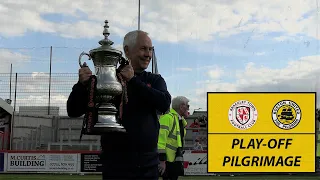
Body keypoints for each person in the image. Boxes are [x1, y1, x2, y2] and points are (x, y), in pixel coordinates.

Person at [67, 30, 171, 179]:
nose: (148, 54)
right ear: (127, 51)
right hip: (115, 166)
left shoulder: (155, 80)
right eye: (143, 48)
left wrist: (133, 81)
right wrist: (81, 85)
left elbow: (165, 104)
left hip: (148, 167)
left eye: (150, 49)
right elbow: (73, 111)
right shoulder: (108, 81)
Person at [158, 96, 189, 180]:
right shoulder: (167, 118)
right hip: (167, 161)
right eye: (187, 106)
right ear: (181, 106)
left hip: (175, 159)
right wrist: (162, 161)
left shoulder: (181, 121)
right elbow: (160, 141)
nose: (188, 109)